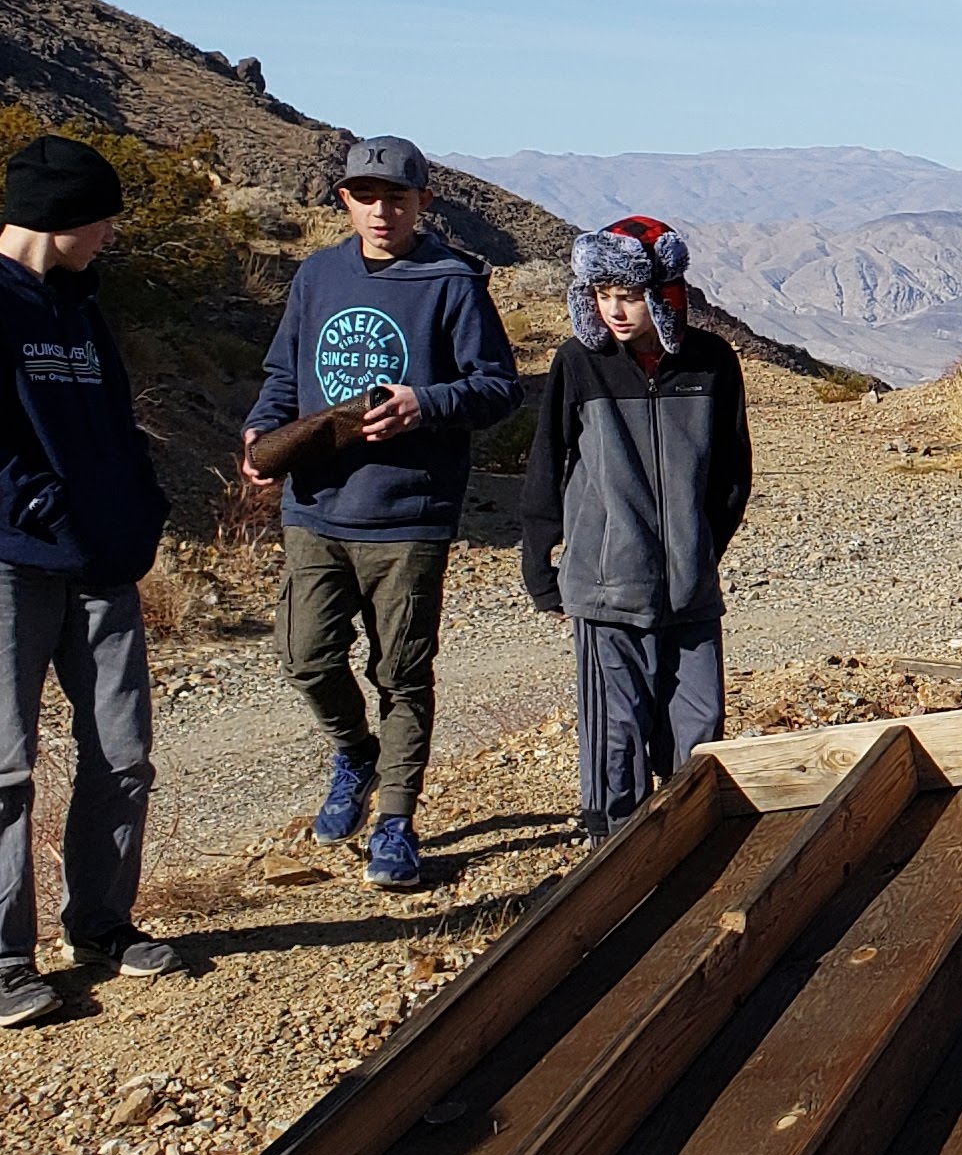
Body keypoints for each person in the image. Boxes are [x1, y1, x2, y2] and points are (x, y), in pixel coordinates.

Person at [0, 135, 174, 1029]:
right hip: (3, 564)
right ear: (65, 216)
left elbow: (116, 430)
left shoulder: (80, 311)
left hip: (101, 562)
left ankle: (101, 925)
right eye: (103, 219)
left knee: (123, 752)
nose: (109, 236)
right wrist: (51, 512)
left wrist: (140, 511)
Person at [242, 137, 518, 890]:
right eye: (366, 196)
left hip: (409, 515)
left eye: (396, 197)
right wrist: (260, 433)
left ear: (422, 203)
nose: (381, 210)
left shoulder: (451, 282)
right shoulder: (318, 275)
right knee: (304, 655)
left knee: (401, 671)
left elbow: (497, 387)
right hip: (316, 505)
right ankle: (355, 752)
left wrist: (423, 405)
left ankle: (395, 819)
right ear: (344, 201)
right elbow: (280, 372)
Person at [519, 218, 750, 838]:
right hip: (606, 586)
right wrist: (541, 557)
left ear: (665, 294)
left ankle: (686, 843)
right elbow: (549, 462)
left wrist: (696, 549)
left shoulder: (712, 363)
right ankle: (610, 851)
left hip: (690, 591)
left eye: (630, 294)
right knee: (615, 732)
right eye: (603, 294)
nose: (616, 310)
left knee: (698, 728)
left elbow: (732, 476)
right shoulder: (578, 364)